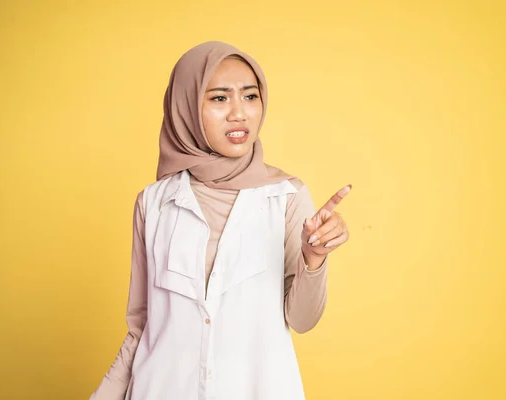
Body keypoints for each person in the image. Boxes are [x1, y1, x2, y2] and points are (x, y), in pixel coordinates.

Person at [89, 41, 351, 400]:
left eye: (249, 96)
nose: (239, 114)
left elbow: (302, 320)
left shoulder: (287, 197)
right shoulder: (154, 203)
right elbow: (141, 328)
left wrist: (314, 258)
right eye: (219, 99)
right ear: (186, 107)